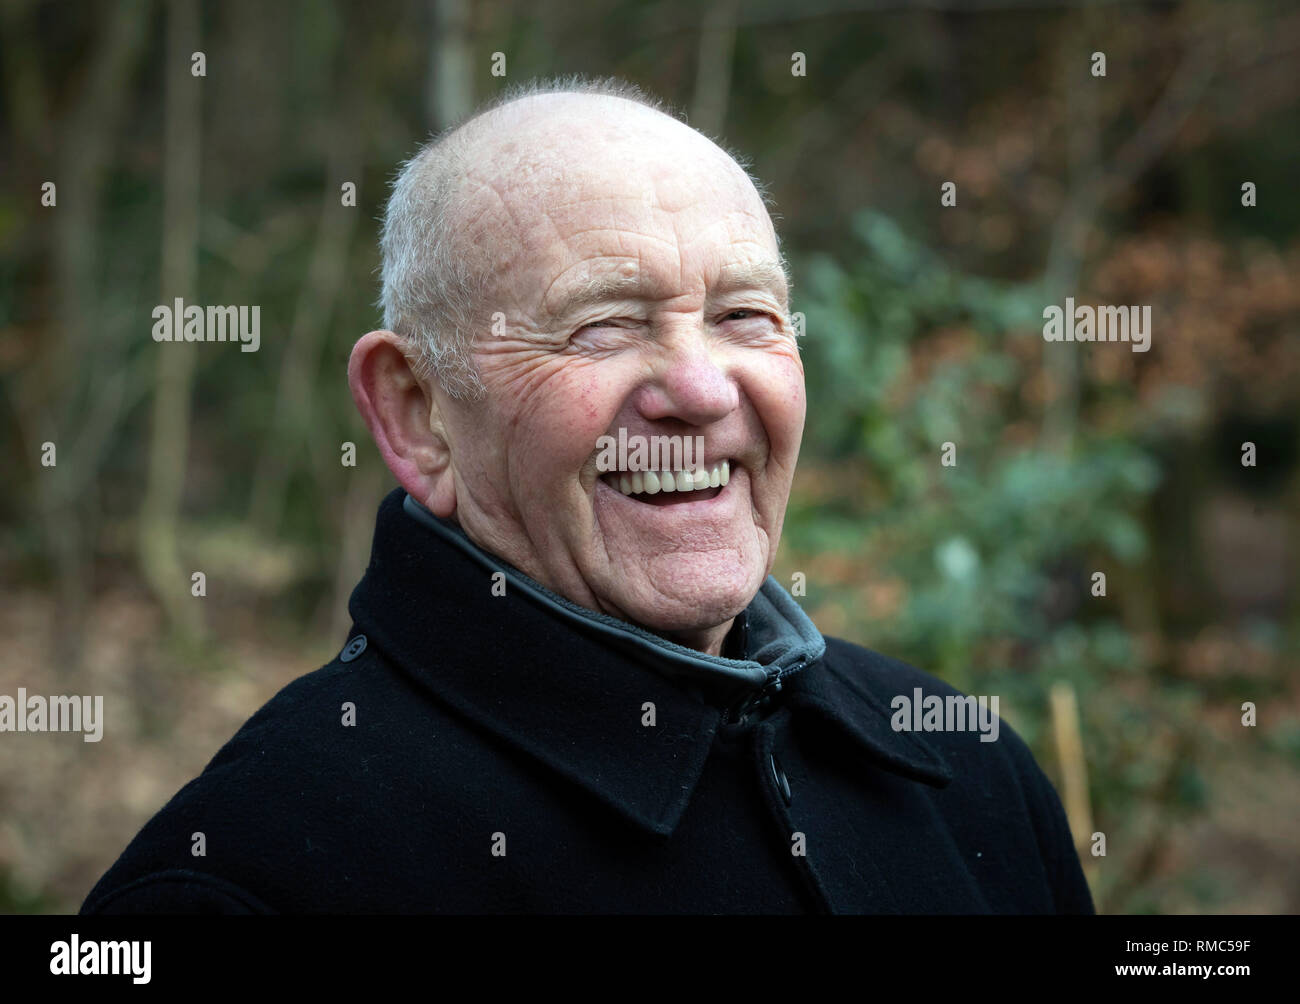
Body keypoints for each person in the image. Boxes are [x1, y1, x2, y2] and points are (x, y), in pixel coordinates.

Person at [82, 76, 1094, 914]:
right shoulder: (252, 885)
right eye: (601, 325)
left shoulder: (965, 769)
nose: (701, 388)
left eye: (744, 315)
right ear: (417, 411)